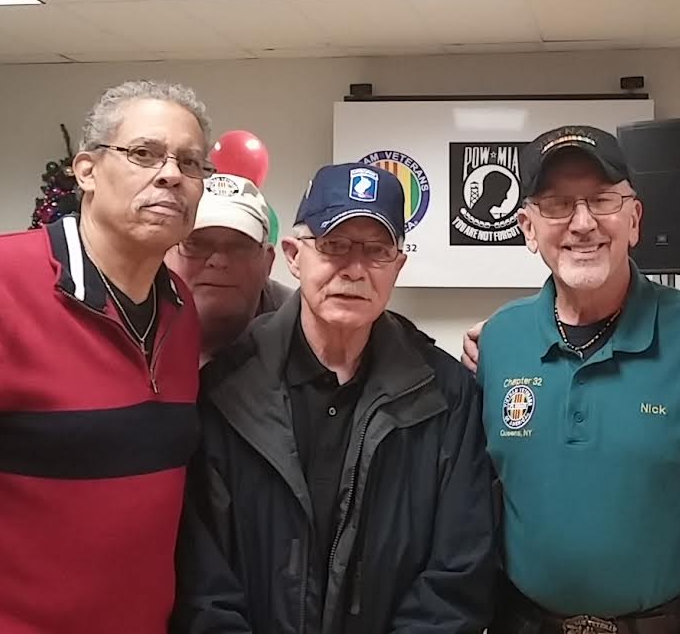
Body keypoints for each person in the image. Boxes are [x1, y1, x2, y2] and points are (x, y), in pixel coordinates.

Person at [172, 162, 496, 634]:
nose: (354, 270)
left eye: (377, 251)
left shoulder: (447, 396)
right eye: (334, 245)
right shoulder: (225, 391)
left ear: (398, 266)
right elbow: (203, 583)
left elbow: (457, 576)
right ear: (293, 256)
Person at [470, 125, 680, 634]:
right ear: (527, 228)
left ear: (635, 220)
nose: (583, 223)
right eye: (557, 205)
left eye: (603, 200)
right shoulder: (500, 340)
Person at [0, 80, 212, 634]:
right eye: (144, 153)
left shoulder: (180, 309)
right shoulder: (4, 282)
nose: (171, 175)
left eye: (190, 163)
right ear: (86, 171)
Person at [165, 173, 291, 365]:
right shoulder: (131, 322)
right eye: (197, 244)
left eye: (239, 247)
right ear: (164, 253)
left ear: (268, 261)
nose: (219, 261)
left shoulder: (303, 334)